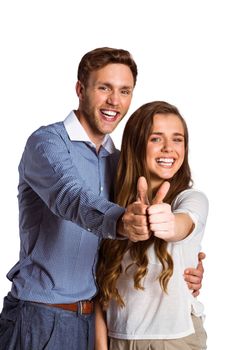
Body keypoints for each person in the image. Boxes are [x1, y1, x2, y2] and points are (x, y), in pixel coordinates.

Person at [0, 48, 204, 350]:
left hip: (96, 323)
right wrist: (121, 221)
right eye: (104, 88)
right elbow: (71, 197)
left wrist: (186, 264)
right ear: (81, 89)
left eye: (125, 91)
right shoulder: (47, 144)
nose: (114, 101)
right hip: (41, 318)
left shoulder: (120, 165)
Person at [95, 101, 208, 350]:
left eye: (178, 139)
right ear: (136, 145)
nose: (169, 148)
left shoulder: (190, 199)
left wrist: (164, 222)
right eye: (156, 138)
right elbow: (100, 293)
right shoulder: (109, 209)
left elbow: (183, 224)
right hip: (118, 340)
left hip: (175, 340)